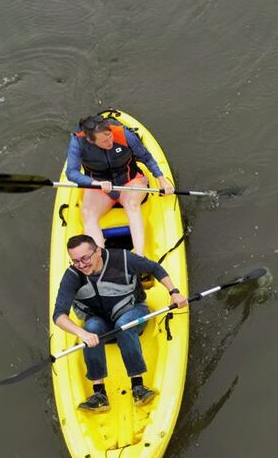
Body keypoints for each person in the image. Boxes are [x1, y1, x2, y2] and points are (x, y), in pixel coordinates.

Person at [51, 234, 188, 411]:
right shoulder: (72, 276)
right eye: (76, 261)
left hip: (132, 312)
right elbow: (58, 315)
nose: (82, 265)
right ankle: (99, 394)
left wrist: (174, 292)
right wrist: (82, 334)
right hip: (101, 323)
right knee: (91, 327)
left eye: (85, 258)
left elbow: (155, 268)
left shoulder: (123, 259)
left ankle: (138, 386)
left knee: (124, 325)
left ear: (98, 251)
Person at [64, 113, 174, 254]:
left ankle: (140, 256)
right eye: (104, 141)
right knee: (87, 214)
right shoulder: (78, 142)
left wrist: (161, 180)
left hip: (130, 182)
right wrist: (95, 183)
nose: (110, 141)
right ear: (90, 140)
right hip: (101, 187)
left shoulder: (124, 134)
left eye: (109, 136)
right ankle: (100, 259)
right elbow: (71, 173)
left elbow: (146, 157)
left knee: (132, 205)